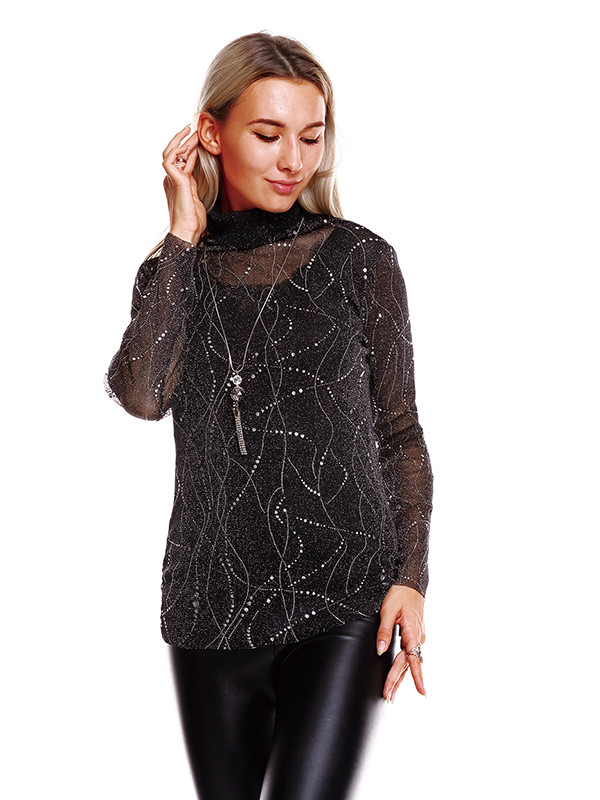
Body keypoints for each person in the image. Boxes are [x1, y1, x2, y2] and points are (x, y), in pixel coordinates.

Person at [105, 31, 433, 800]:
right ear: (210, 133)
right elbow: (143, 395)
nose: (294, 159)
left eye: (311, 137)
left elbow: (400, 433)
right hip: (210, 606)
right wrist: (181, 236)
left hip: (344, 596)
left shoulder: (359, 260)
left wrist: (412, 577)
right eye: (268, 134)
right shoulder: (171, 272)